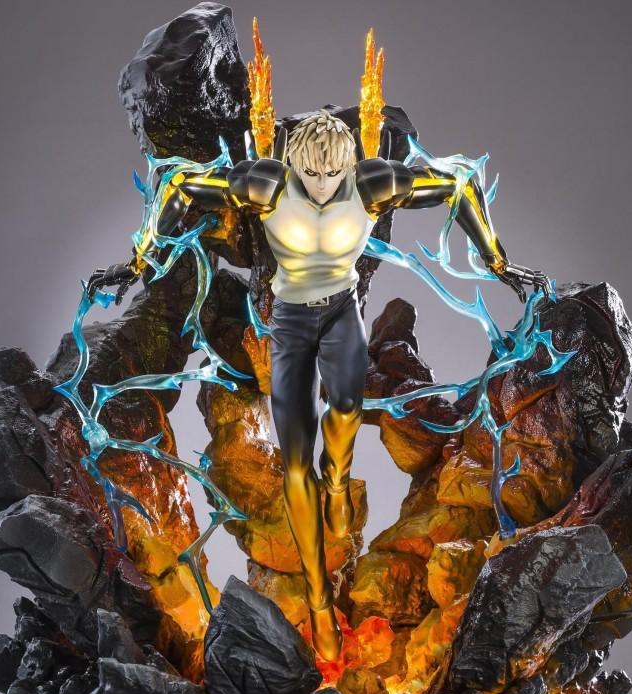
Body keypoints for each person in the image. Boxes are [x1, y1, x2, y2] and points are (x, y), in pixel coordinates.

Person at [87, 109, 550, 661]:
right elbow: (178, 181)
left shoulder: (373, 184)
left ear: (350, 166)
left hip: (341, 316)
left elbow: (458, 182)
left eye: (333, 175)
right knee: (294, 464)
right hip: (289, 323)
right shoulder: (266, 185)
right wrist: (136, 261)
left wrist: (499, 262)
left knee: (347, 409)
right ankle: (319, 601)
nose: (323, 186)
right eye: (310, 175)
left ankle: (337, 481)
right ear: (292, 165)